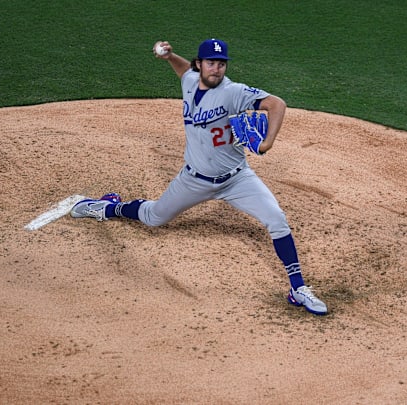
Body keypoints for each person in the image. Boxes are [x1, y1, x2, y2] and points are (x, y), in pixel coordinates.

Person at [70, 38, 328, 315]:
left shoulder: (234, 92)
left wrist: (267, 143)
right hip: (193, 180)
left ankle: (298, 288)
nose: (216, 69)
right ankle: (109, 207)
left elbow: (277, 104)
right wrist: (169, 57)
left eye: (221, 63)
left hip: (237, 179)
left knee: (276, 219)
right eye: (210, 63)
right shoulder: (190, 81)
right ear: (199, 65)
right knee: (153, 217)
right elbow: (183, 71)